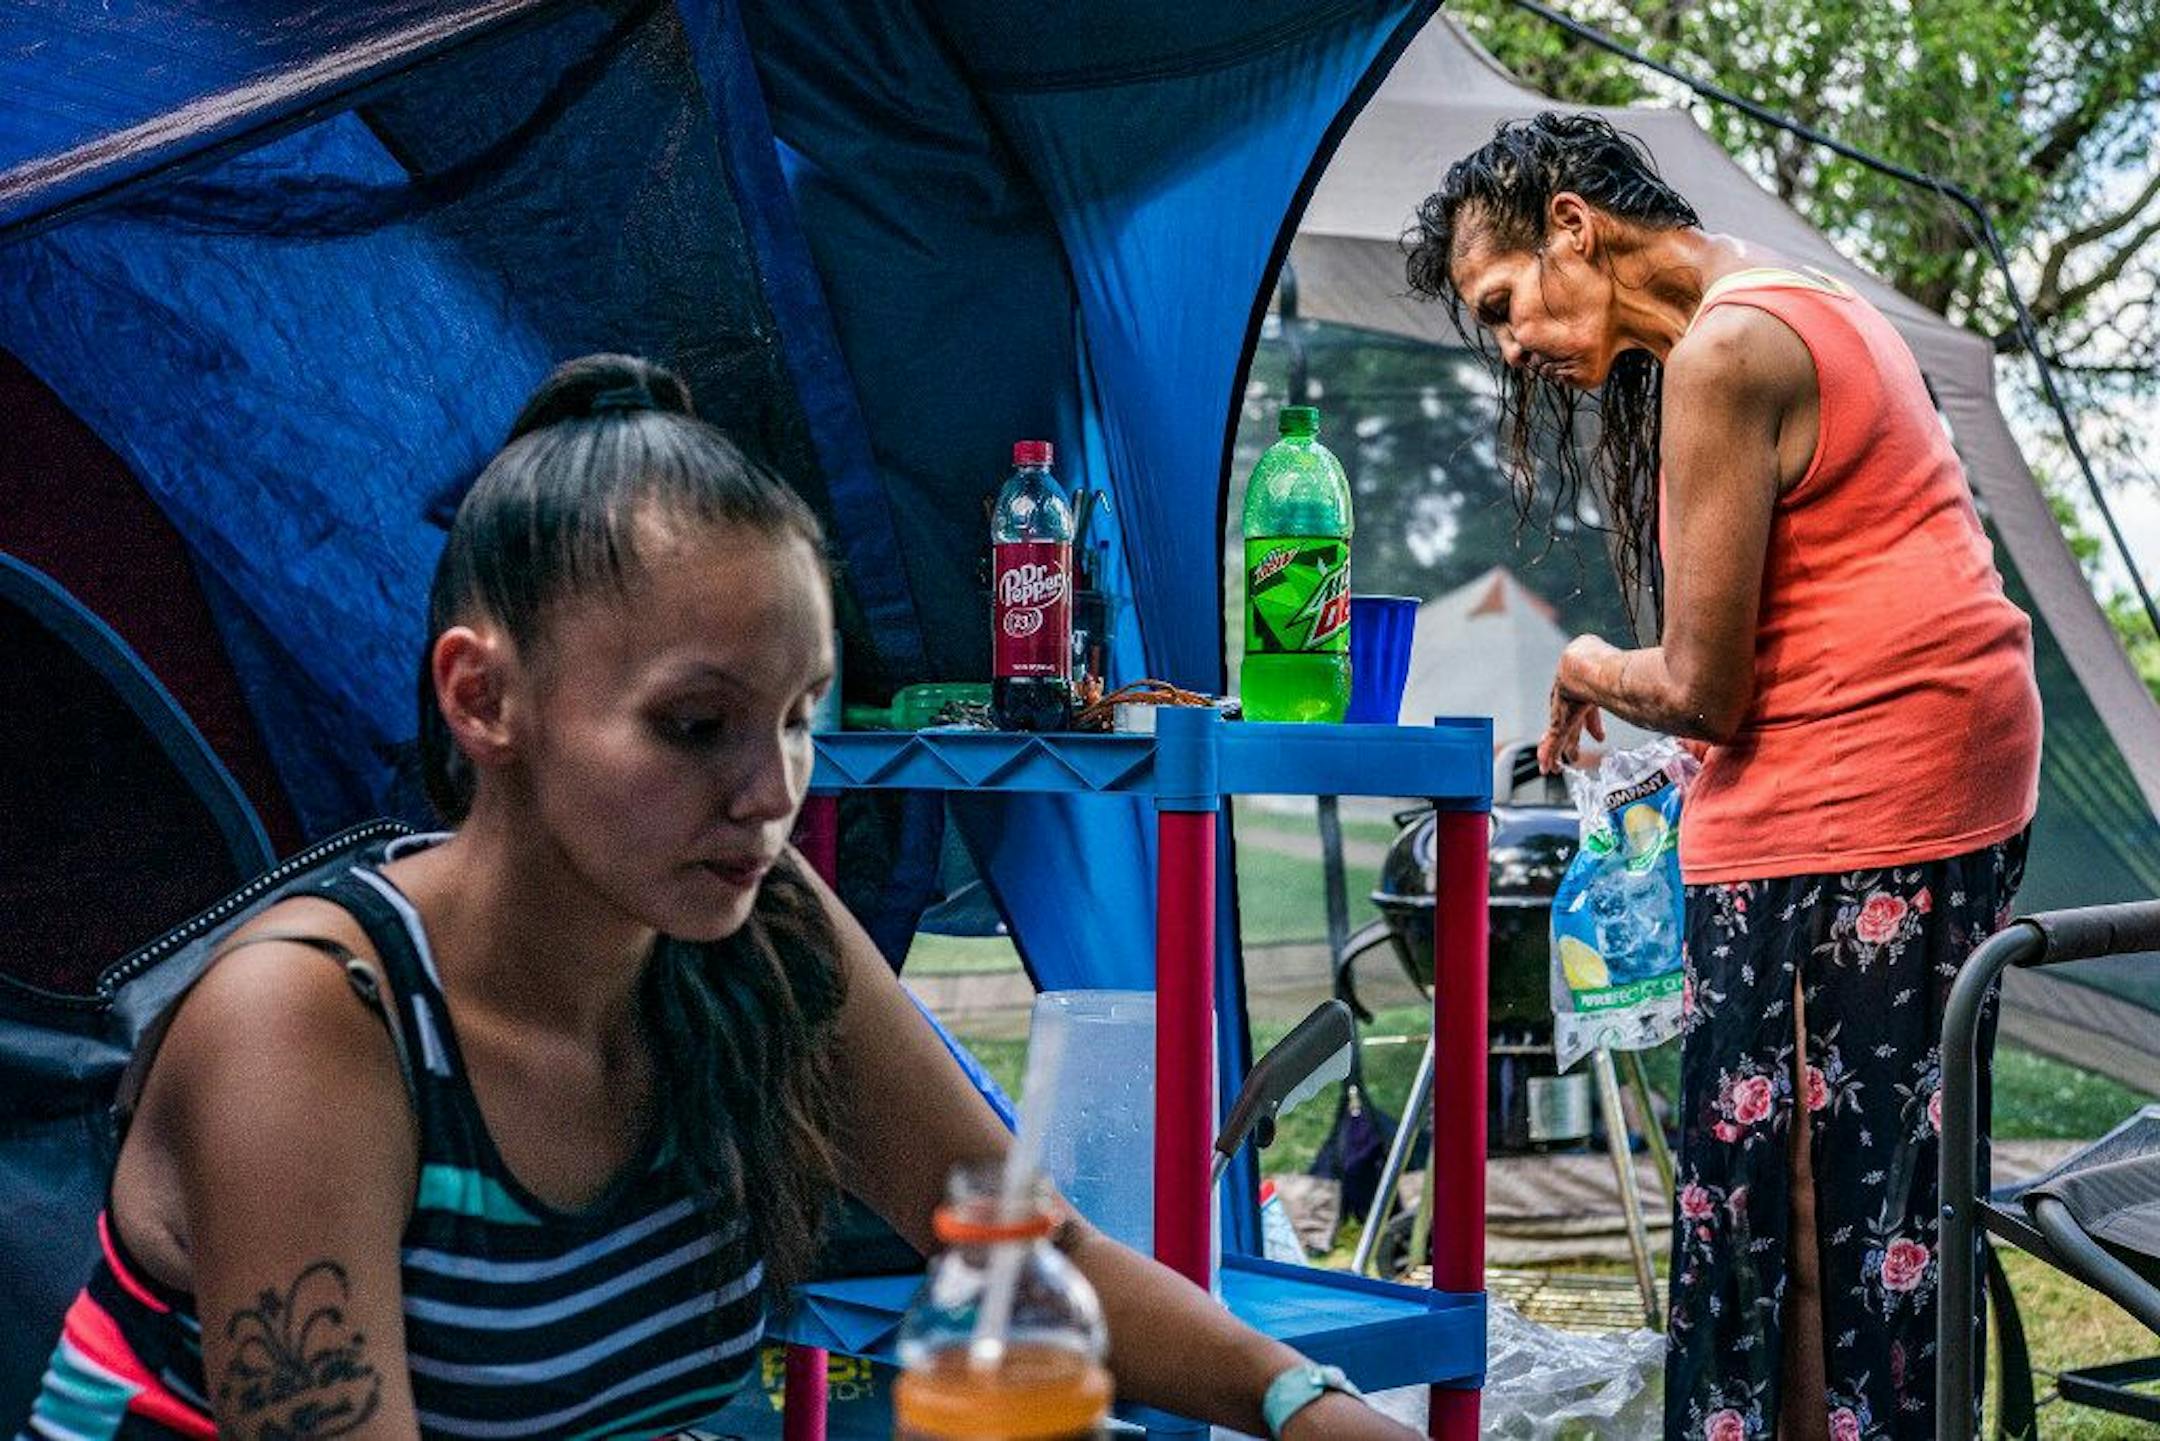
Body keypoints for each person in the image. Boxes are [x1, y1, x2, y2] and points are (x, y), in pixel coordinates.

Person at [21, 354, 1416, 1441]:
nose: (771, 791)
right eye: (697, 727)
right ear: (483, 697)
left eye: (800, 718)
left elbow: (1023, 1243)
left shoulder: (751, 928)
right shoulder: (315, 1027)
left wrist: (1306, 1402)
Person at [1407, 116, 2041, 1439]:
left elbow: (1706, 684)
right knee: (1876, 1206)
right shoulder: (1788, 297)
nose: (1512, 345)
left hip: (1855, 808)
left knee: (1793, 1216)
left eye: (1504, 305)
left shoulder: (1725, 351)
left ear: (1572, 225)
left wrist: (1585, 658)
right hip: (1941, 785)